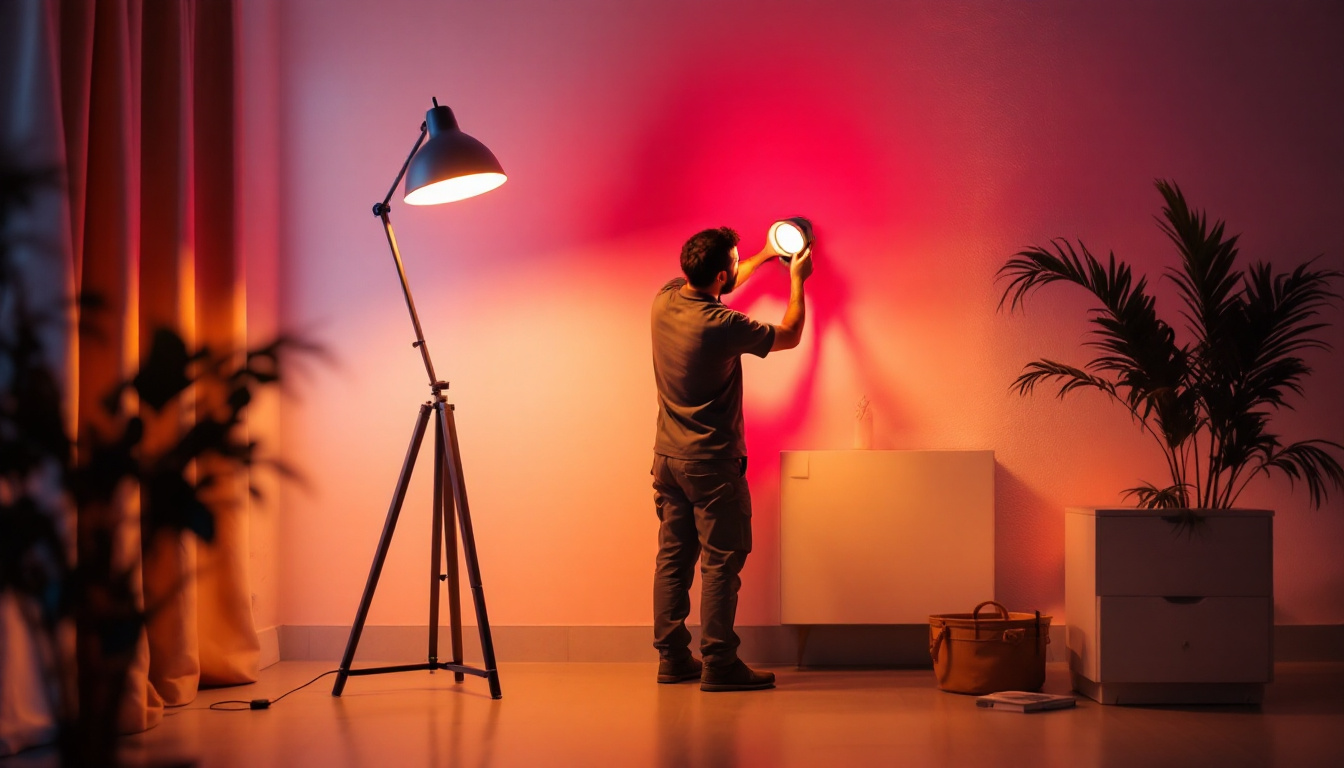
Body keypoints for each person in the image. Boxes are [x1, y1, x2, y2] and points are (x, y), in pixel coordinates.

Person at [649, 225, 814, 692]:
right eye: (737, 263)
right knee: (721, 562)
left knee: (673, 560)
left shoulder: (664, 299)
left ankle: (673, 659)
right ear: (722, 274)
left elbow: (722, 282)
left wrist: (763, 253)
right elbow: (790, 334)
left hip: (668, 459)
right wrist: (797, 278)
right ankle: (719, 664)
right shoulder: (722, 326)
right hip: (712, 465)